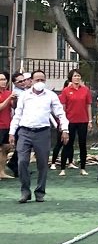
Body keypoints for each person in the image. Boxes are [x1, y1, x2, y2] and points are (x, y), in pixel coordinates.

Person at [9, 70, 70, 202]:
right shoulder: (25, 96)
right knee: (22, 162)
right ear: (31, 81)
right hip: (24, 131)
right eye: (37, 80)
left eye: (42, 80)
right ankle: (25, 191)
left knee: (42, 164)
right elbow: (17, 114)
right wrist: (12, 132)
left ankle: (40, 191)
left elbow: (60, 113)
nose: (40, 82)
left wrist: (65, 129)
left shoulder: (51, 96)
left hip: (42, 132)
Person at [56, 69, 93, 176]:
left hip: (83, 121)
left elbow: (88, 105)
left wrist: (90, 120)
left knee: (82, 144)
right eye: (75, 76)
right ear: (71, 78)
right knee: (67, 144)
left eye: (78, 76)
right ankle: (63, 168)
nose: (77, 78)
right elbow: (63, 107)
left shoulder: (85, 90)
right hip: (69, 121)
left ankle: (83, 168)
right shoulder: (66, 91)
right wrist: (62, 122)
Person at [0, 72, 14, 179]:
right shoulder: (8, 95)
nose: (3, 81)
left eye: (4, 79)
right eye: (1, 80)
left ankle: (2, 172)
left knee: (5, 149)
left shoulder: (8, 92)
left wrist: (15, 100)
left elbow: (13, 107)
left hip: (7, 125)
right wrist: (9, 98)